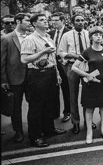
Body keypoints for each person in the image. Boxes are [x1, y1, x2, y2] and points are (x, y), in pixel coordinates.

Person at [21, 13, 66, 147]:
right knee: (36, 106)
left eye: (46, 20)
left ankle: (49, 129)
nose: (46, 22)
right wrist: (43, 52)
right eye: (42, 20)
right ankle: (35, 136)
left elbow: (52, 59)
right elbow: (24, 59)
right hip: (37, 75)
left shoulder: (48, 37)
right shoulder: (30, 39)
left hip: (50, 73)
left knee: (49, 103)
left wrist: (57, 74)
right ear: (34, 24)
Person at [71, 26, 103, 144]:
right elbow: (74, 67)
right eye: (96, 35)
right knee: (89, 108)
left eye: (100, 34)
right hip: (90, 84)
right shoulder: (87, 52)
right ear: (90, 37)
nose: (99, 37)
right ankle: (89, 131)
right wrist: (87, 75)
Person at [58, 14, 91, 134]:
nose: (80, 22)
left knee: (88, 95)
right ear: (73, 22)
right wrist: (73, 55)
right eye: (77, 20)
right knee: (73, 96)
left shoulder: (88, 34)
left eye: (82, 20)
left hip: (87, 67)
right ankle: (75, 122)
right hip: (73, 67)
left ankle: (88, 120)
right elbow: (60, 52)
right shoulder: (66, 35)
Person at [1, 13, 31, 143]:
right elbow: (1, 61)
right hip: (14, 78)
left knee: (34, 104)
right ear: (18, 22)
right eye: (27, 20)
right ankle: (18, 131)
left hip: (30, 77)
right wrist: (3, 80)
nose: (29, 23)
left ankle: (34, 128)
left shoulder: (30, 37)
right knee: (16, 107)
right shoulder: (7, 39)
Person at [49, 12, 71, 123]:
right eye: (52, 20)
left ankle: (67, 111)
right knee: (53, 89)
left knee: (66, 89)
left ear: (63, 21)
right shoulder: (50, 33)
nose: (53, 22)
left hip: (64, 63)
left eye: (56, 20)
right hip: (53, 63)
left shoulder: (69, 33)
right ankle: (54, 112)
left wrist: (65, 60)